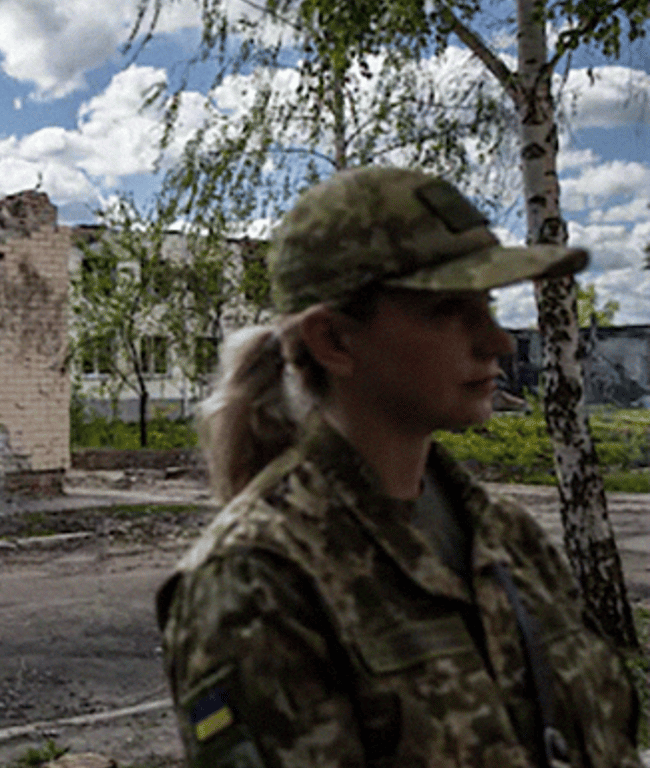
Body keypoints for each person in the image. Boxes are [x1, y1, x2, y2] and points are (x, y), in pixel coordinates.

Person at [157, 167, 641, 767]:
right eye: (447, 310)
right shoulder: (255, 580)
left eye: (486, 305)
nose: (498, 341)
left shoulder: (508, 538)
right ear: (334, 340)